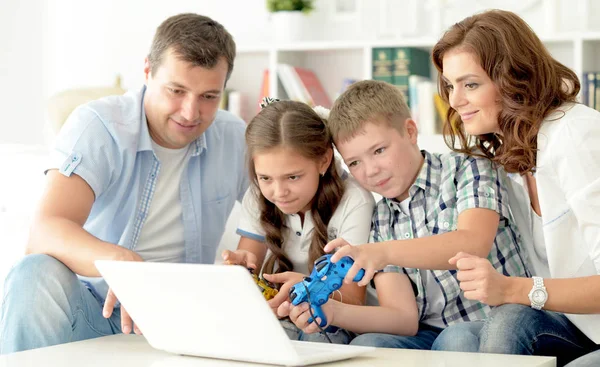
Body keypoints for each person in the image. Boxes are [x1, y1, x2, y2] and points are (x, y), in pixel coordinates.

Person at [0, 13, 248, 354]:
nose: (191, 113)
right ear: (147, 72)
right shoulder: (99, 127)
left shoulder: (234, 137)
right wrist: (121, 264)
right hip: (94, 311)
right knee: (33, 272)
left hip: (186, 322)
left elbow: (282, 214)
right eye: (176, 91)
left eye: (208, 96)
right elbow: (44, 229)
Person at [429, 9, 600, 367]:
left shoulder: (575, 134)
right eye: (450, 85)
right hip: (576, 323)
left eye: (470, 84)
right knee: (456, 338)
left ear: (513, 79)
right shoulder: (512, 151)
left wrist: (511, 289)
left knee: (511, 320)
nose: (455, 100)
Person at [316, 79, 529, 350]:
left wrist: (382, 252)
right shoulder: (381, 218)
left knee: (457, 339)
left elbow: (473, 243)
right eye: (354, 162)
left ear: (410, 132)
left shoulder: (468, 168)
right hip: (429, 332)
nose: (370, 170)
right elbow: (403, 318)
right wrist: (331, 312)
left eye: (379, 151)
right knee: (369, 344)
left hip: (495, 319)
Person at [222, 99, 376, 344]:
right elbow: (248, 265)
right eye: (265, 178)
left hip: (338, 319)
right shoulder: (257, 196)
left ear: (323, 161)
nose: (278, 191)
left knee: (316, 339)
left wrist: (305, 288)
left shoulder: (354, 201)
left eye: (292, 177)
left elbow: (354, 298)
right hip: (288, 315)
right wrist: (242, 269)